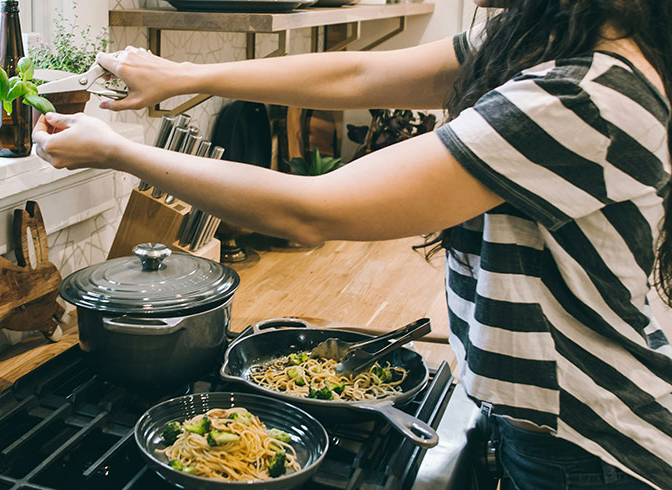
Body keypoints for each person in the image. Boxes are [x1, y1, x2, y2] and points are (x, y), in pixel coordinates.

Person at [33, 0, 671, 488]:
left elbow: (310, 210)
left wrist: (118, 151)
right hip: (552, 423)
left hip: (591, 440)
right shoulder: (548, 37)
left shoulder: (582, 94)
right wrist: (184, 76)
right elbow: (361, 72)